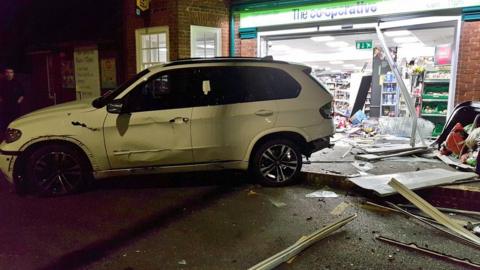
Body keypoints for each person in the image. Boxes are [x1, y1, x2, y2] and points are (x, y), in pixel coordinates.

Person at [0, 67, 24, 132]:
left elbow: (23, 93)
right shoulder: (2, 82)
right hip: (5, 106)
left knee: (16, 121)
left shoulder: (17, 82)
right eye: (7, 72)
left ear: (13, 74)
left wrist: (19, 101)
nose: (9, 74)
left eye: (11, 72)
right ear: (5, 73)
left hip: (15, 106)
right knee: (6, 123)